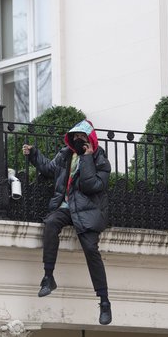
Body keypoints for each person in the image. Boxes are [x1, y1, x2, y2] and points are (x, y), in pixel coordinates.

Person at [22, 119, 112, 325]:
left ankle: (104, 301)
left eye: (83, 138)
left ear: (90, 139)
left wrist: (87, 158)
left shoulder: (101, 160)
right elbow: (48, 169)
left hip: (88, 211)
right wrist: (34, 154)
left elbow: (92, 186)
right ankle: (48, 277)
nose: (79, 141)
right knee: (51, 223)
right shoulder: (65, 155)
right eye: (76, 138)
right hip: (65, 207)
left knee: (90, 249)